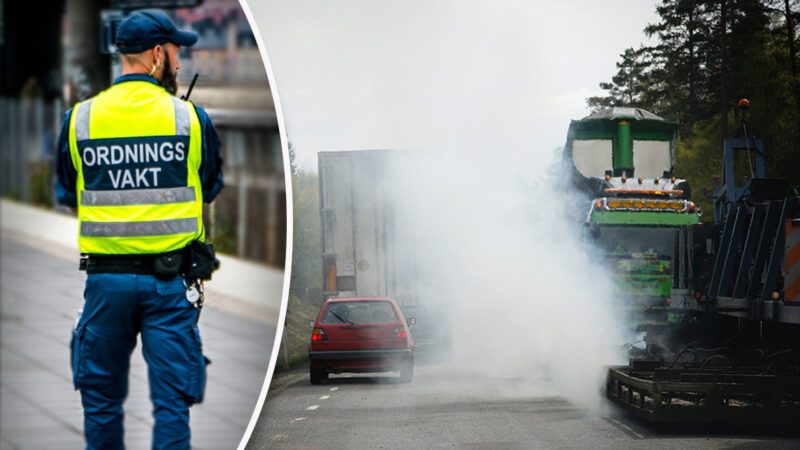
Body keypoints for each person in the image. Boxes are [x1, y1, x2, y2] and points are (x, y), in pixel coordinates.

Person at [54, 9, 223, 450]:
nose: (180, 64)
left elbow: (69, 192)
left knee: (101, 400)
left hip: (105, 285)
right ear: (155, 55)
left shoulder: (79, 119)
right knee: (172, 404)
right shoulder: (190, 120)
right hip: (170, 287)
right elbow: (209, 186)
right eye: (174, 53)